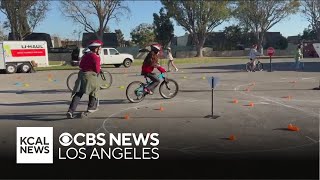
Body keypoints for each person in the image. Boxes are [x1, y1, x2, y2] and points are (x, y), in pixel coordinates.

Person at [66, 40, 103, 119]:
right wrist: (99, 69)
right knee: (94, 90)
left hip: (81, 75)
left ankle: (70, 111)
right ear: (96, 49)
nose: (101, 49)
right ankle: (91, 107)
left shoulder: (86, 55)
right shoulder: (96, 57)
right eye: (100, 48)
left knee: (79, 93)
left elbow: (81, 65)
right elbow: (97, 70)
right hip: (90, 76)